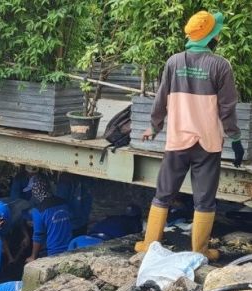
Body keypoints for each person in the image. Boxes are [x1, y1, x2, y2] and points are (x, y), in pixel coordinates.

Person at [137, 11, 244, 261]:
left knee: (163, 193)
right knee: (204, 199)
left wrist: (154, 127)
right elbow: (227, 108)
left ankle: (149, 244)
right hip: (208, 143)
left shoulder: (174, 62)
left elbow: (161, 97)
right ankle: (200, 251)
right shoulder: (220, 65)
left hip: (177, 139)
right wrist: (236, 139)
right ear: (211, 37)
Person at [22, 176, 72, 262]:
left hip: (54, 252)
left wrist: (33, 256)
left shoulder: (38, 211)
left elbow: (38, 236)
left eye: (32, 191)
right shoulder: (64, 203)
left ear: (36, 191)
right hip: (70, 248)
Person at [67, 204, 143, 250]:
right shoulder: (135, 223)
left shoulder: (115, 218)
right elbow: (138, 237)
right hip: (102, 241)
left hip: (89, 236)